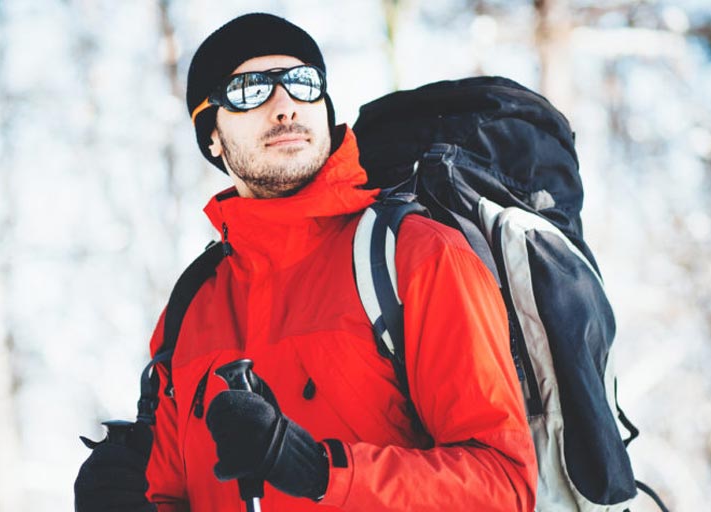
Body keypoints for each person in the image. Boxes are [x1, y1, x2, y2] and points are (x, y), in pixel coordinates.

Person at [75, 12, 537, 512]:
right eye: (249, 89)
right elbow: (171, 493)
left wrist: (320, 472)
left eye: (301, 83)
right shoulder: (192, 305)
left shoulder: (414, 256)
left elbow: (505, 486)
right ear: (211, 135)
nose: (284, 106)